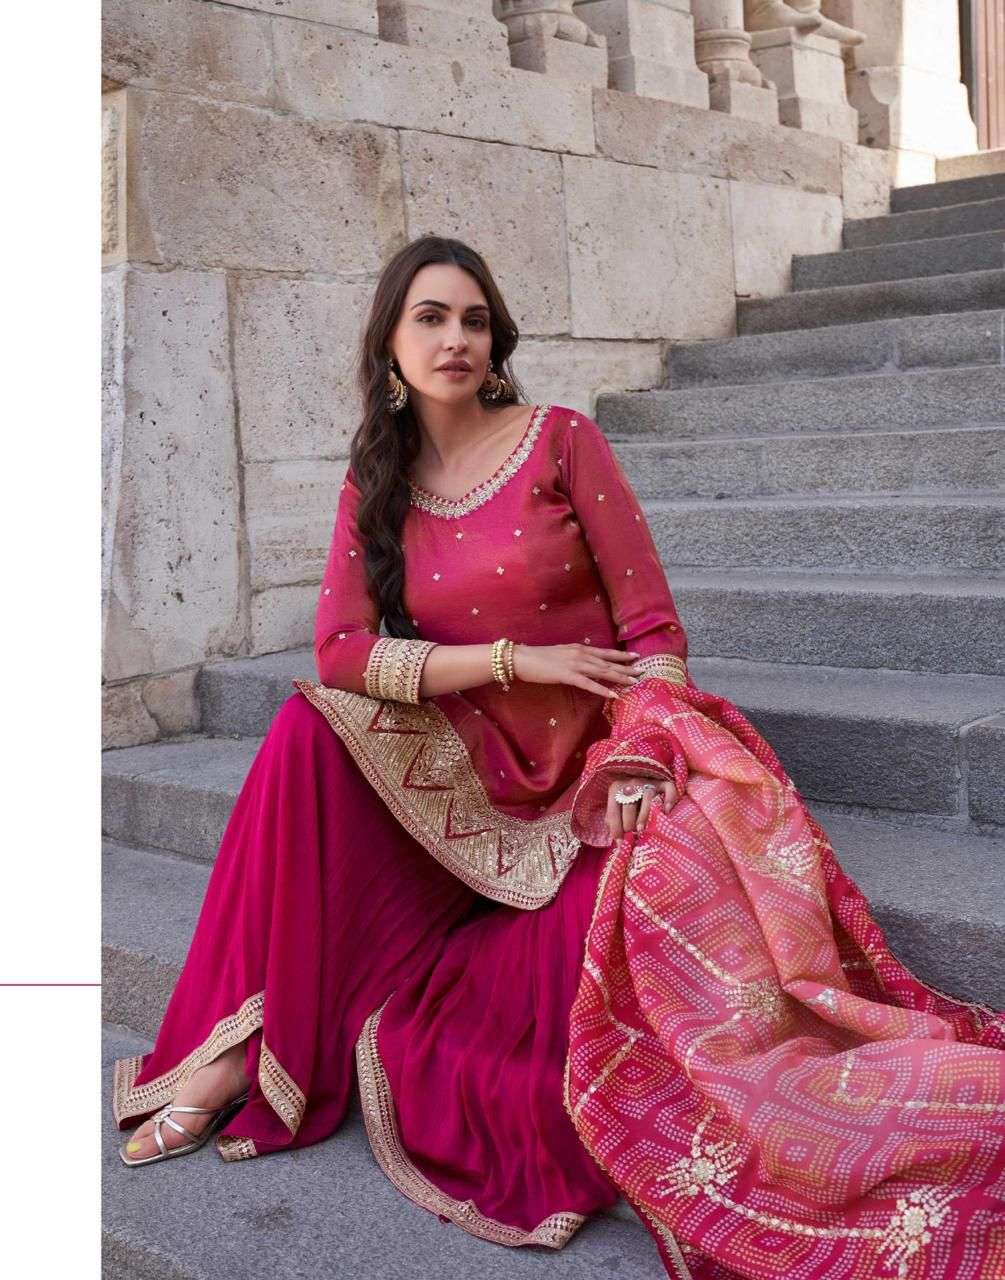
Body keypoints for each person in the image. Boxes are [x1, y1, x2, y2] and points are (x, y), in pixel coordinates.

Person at [111, 236, 1005, 1279]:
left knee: (577, 983)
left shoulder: (560, 441)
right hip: (465, 777)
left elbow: (653, 632)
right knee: (308, 728)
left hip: (592, 772)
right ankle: (234, 1048)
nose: (454, 338)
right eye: (429, 318)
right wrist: (511, 658)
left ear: (495, 341)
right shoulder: (378, 482)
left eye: (473, 319)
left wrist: (641, 753)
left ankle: (281, 1036)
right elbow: (341, 651)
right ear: (389, 344)